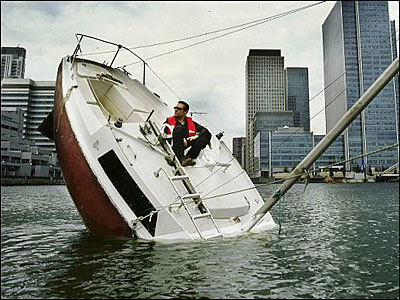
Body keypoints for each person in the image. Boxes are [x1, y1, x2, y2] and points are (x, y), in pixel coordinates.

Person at [164, 100, 211, 167]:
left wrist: (196, 136)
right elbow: (165, 132)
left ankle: (189, 157)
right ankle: (180, 158)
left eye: (179, 109)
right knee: (179, 128)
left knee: (205, 135)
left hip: (186, 142)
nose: (176, 110)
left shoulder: (191, 123)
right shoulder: (169, 120)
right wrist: (181, 138)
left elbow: (205, 131)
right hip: (174, 142)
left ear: (185, 112)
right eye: (175, 108)